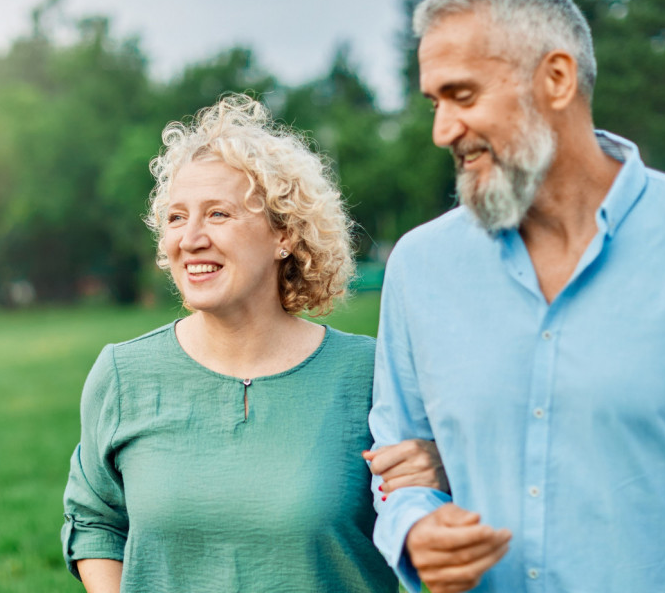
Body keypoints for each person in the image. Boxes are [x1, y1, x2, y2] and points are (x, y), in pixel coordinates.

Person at [368, 0, 665, 592]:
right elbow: (400, 465)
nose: (442, 131)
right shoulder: (419, 268)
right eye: (434, 103)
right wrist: (416, 528)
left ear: (556, 79)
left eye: (462, 95)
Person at [61, 94, 436, 592]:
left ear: (285, 235)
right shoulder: (122, 375)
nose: (190, 238)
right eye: (176, 217)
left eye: (218, 214)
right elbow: (95, 521)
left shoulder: (369, 373)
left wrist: (442, 469)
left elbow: (436, 503)